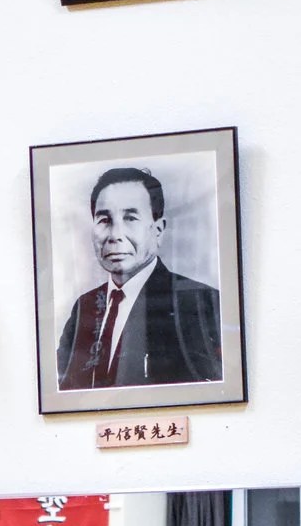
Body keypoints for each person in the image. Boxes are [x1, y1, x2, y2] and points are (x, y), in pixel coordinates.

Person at [54, 165, 222, 390]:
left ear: (158, 230)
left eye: (131, 218)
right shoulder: (84, 307)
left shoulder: (200, 303)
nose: (115, 236)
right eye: (104, 220)